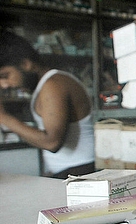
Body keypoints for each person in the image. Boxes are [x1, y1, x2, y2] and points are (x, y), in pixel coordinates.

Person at [0, 30, 95, 178]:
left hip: (81, 172)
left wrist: (3, 117)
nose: (4, 85)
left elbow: (52, 142)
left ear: (26, 64)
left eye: (5, 76)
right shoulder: (44, 86)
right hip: (71, 171)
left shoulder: (53, 84)